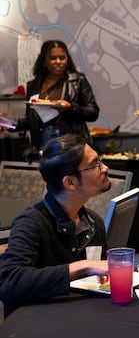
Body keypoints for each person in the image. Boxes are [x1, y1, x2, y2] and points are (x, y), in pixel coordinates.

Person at [0, 134, 110, 317]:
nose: (105, 168)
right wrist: (81, 266)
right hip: (37, 326)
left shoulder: (93, 223)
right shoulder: (31, 223)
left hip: (81, 320)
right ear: (70, 182)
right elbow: (10, 282)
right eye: (95, 164)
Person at [11, 40, 99, 150]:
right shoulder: (33, 85)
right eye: (53, 58)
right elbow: (30, 120)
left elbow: (93, 112)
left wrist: (71, 107)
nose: (58, 62)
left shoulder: (78, 81)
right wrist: (8, 124)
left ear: (67, 59)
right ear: (44, 61)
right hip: (44, 139)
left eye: (62, 58)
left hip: (71, 141)